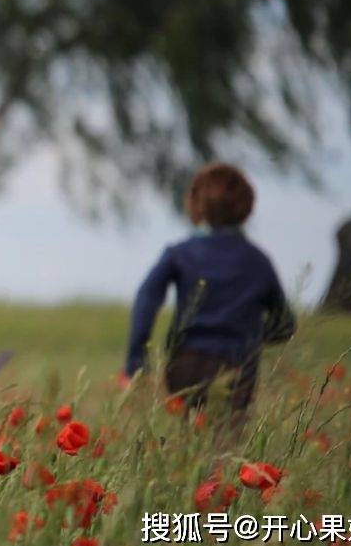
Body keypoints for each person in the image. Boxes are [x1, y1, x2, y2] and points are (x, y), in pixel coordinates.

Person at [122, 163, 295, 415]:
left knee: (191, 437)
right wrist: (251, 336)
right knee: (228, 442)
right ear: (246, 208)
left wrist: (136, 362)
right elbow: (284, 325)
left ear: (194, 204)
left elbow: (146, 300)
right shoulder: (258, 261)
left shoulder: (179, 254)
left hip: (185, 364)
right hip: (237, 366)